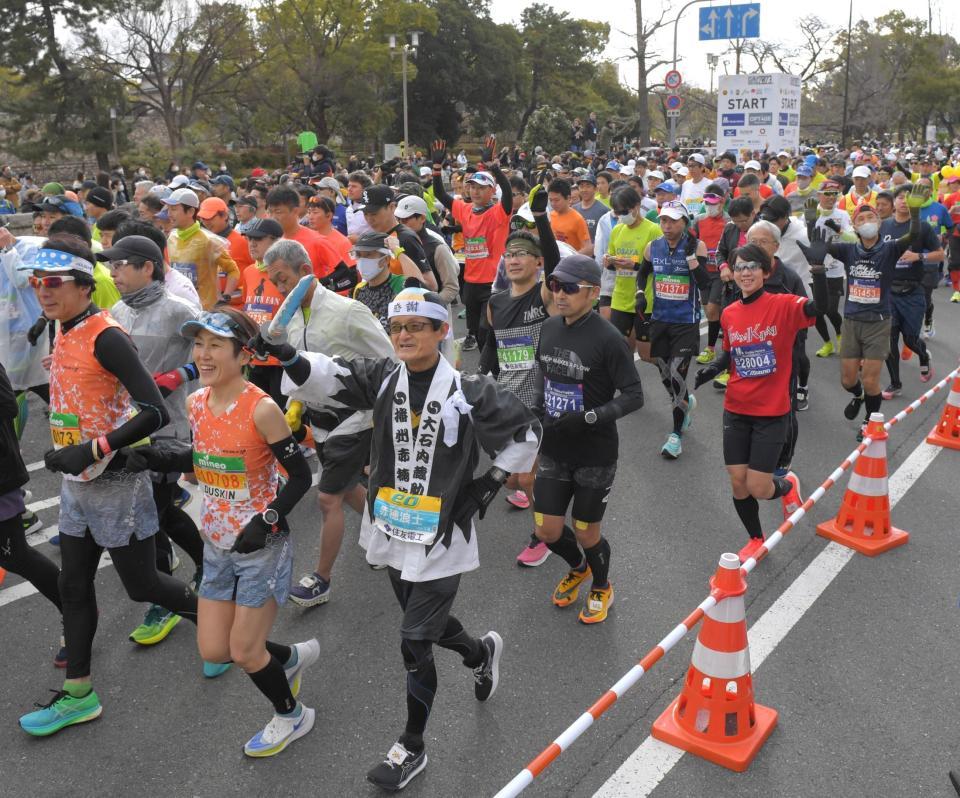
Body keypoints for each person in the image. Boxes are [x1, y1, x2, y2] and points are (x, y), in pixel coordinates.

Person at [255, 286, 540, 789]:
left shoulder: (469, 389)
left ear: (440, 331)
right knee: (422, 622)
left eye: (416, 326)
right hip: (389, 528)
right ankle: (479, 653)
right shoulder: (385, 378)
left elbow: (526, 434)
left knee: (413, 641)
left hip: (441, 537)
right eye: (397, 327)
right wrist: (283, 352)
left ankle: (411, 746)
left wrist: (486, 486)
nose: (404, 335)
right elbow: (328, 375)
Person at [18, 238, 199, 737]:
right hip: (78, 486)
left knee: (144, 587)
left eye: (52, 282)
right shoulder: (64, 326)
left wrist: (93, 449)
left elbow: (153, 411)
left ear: (82, 284)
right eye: (36, 282)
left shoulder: (107, 336)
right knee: (72, 587)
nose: (43, 291)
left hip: (117, 483)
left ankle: (236, 635)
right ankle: (79, 694)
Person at [125, 306, 320, 756]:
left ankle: (292, 716)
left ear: (243, 354)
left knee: (247, 653)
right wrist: (162, 458)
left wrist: (265, 521)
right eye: (199, 344)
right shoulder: (197, 401)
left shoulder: (263, 408)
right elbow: (204, 458)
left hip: (260, 548)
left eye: (215, 344)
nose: (204, 354)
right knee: (216, 649)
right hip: (215, 543)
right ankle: (289, 657)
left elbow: (301, 476)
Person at [261, 239, 395, 609]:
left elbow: (390, 359)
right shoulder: (285, 320)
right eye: (275, 282)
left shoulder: (348, 310)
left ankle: (321, 579)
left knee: (327, 498)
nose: (281, 288)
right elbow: (298, 370)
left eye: (284, 279)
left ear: (306, 272)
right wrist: (294, 406)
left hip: (355, 419)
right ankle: (390, 536)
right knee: (349, 486)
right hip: (317, 422)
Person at [103, 234, 207, 645]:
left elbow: (217, 351)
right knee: (158, 513)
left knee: (152, 514)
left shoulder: (178, 311)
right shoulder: (114, 312)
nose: (114, 272)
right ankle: (206, 565)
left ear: (148, 267)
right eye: (110, 265)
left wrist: (179, 375)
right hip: (125, 428)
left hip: (168, 427)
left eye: (121, 264)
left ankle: (164, 600)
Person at [533, 255, 644, 623]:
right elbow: (543, 378)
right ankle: (578, 568)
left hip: (594, 450)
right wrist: (534, 415)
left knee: (585, 529)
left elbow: (633, 395)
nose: (559, 294)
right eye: (554, 285)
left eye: (569, 288)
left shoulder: (609, 339)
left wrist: (589, 417)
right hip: (553, 445)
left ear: (594, 293)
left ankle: (601, 585)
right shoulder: (549, 328)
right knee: (546, 530)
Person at [693, 244, 820, 563]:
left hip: (772, 412)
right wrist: (706, 372)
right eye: (739, 267)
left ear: (766, 271)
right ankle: (755, 538)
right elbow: (730, 354)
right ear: (731, 273)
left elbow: (820, 309)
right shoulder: (730, 312)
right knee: (738, 482)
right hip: (736, 409)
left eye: (752, 266)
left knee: (760, 487)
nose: (745, 272)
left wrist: (818, 272)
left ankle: (786, 486)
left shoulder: (784, 305)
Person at [797, 187, 927, 439]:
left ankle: (869, 420)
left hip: (878, 323)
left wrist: (915, 210)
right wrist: (812, 222)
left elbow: (914, 234)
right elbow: (818, 245)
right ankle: (858, 396)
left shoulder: (889, 250)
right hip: (851, 322)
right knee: (848, 381)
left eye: (871, 218)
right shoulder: (848, 250)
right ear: (854, 227)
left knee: (870, 381)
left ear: (879, 222)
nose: (866, 222)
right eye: (860, 219)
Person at [486, 186, 560, 565]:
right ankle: (551, 504)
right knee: (513, 480)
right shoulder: (496, 302)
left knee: (529, 480)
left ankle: (544, 536)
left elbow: (556, 260)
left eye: (524, 255)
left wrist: (542, 219)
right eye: (510, 254)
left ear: (537, 263)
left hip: (542, 402)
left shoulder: (544, 296)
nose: (515, 260)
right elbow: (492, 348)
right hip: (506, 401)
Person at [638, 201, 711, 458]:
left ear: (684, 223)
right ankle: (684, 401)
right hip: (660, 319)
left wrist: (691, 258)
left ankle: (676, 436)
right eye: (663, 221)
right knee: (664, 372)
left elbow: (705, 283)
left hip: (685, 322)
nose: (667, 226)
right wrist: (639, 293)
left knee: (678, 377)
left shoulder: (696, 246)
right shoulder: (652, 246)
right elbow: (642, 273)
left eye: (673, 221)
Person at [431, 137, 512, 351]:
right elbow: (439, 193)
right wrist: (437, 168)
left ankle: (491, 372)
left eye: (481, 188)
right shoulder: (465, 210)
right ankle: (485, 363)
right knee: (475, 330)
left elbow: (509, 197)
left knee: (487, 331)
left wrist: (495, 168)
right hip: (470, 280)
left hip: (493, 281)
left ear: (492, 191)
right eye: (472, 187)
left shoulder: (498, 212)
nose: (475, 191)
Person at [878, 184, 939, 396]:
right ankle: (895, 383)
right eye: (900, 197)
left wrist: (918, 256)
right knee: (889, 340)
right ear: (894, 202)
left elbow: (940, 255)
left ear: (916, 201)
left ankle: (923, 355)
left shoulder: (922, 227)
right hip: (888, 293)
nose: (904, 201)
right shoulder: (884, 226)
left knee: (911, 339)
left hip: (913, 292)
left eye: (908, 197)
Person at [164, 187, 240, 310]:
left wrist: (225, 298)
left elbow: (233, 270)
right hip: (179, 309)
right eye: (168, 209)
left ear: (190, 212)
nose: (169, 214)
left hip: (204, 312)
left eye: (173, 209)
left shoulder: (210, 240)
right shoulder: (171, 238)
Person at [691, 184, 731, 364]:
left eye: (713, 203)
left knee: (713, 310)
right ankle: (725, 337)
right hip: (703, 273)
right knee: (709, 311)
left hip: (720, 273)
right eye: (706, 203)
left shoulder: (729, 222)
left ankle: (710, 349)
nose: (709, 207)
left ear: (722, 202)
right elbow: (692, 240)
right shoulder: (698, 220)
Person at [547, 178, 591, 254]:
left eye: (557, 200)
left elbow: (588, 248)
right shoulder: (550, 216)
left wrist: (570, 258)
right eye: (551, 200)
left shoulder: (577, 219)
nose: (553, 204)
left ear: (568, 198)